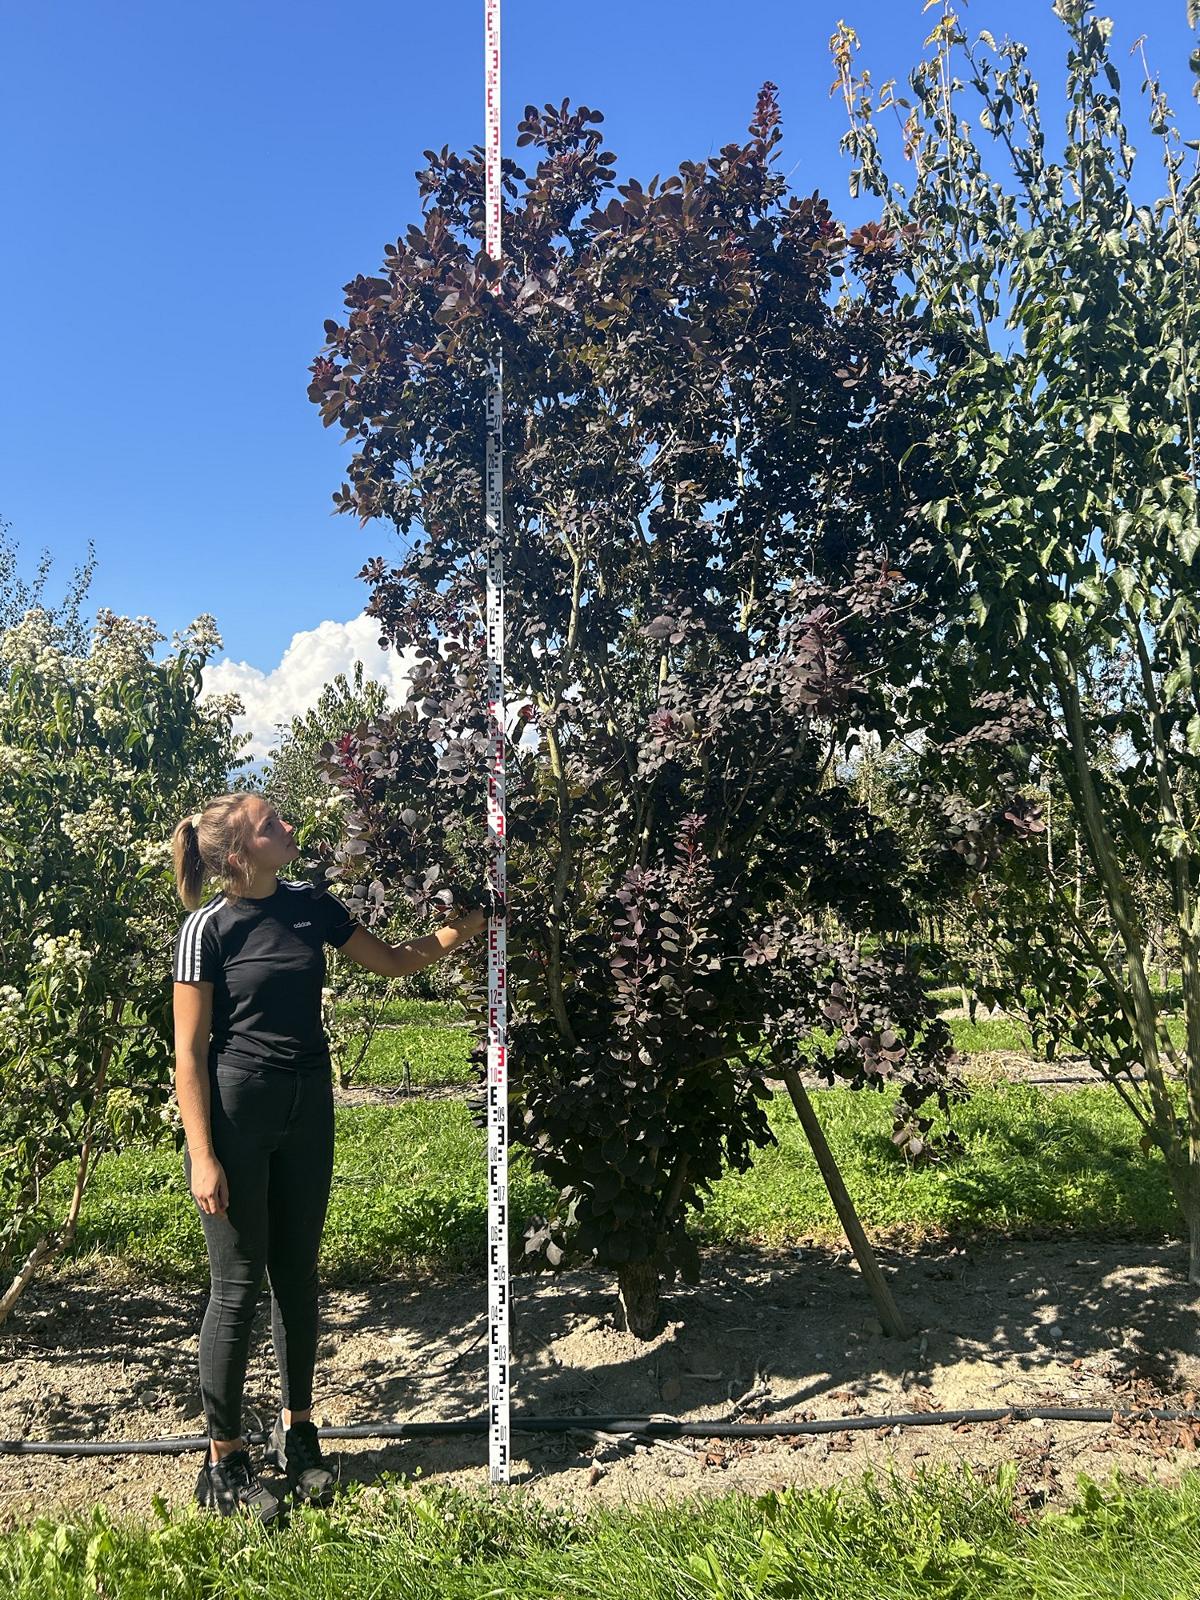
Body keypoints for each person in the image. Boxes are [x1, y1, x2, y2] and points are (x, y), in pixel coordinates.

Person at [171, 791, 489, 1523]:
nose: (289, 826)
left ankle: (298, 1433)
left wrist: (461, 931)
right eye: (272, 823)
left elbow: (393, 962)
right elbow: (188, 1054)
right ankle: (222, 1462)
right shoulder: (205, 930)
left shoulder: (311, 904)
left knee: (297, 1276)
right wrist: (202, 1155)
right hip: (238, 1115)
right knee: (237, 1284)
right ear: (241, 851)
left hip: (308, 1108)